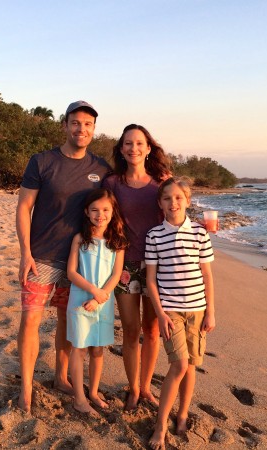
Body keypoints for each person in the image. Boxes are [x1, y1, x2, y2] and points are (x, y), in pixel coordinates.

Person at [16, 100, 111, 413]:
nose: (81, 129)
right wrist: (25, 252)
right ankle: (26, 390)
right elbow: (24, 208)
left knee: (65, 323)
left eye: (87, 124)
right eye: (75, 123)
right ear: (65, 125)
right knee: (30, 319)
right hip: (41, 257)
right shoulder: (42, 161)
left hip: (79, 263)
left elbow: (115, 205)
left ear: (93, 130)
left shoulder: (100, 169)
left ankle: (60, 377)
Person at [102, 124, 171, 410]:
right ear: (121, 148)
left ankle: (146, 387)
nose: (134, 148)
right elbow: (100, 216)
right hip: (125, 263)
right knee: (130, 330)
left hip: (158, 264)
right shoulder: (112, 182)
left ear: (148, 148)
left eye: (139, 143)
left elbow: (177, 214)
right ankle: (132, 388)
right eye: (128, 143)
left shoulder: (162, 181)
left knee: (152, 330)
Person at [144, 177, 216, 450]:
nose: (173, 203)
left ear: (187, 200)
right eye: (167, 198)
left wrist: (211, 312)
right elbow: (151, 279)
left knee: (192, 365)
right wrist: (160, 314)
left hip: (197, 310)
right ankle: (161, 424)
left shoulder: (200, 233)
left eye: (178, 198)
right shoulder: (154, 235)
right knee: (179, 365)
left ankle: (183, 414)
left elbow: (207, 275)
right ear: (160, 203)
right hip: (170, 310)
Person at [66, 188, 128, 416]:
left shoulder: (117, 242)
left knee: (98, 349)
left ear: (113, 212)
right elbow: (72, 272)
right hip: (81, 300)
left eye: (105, 210)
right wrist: (93, 291)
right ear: (86, 212)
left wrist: (100, 297)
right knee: (79, 348)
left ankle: (93, 392)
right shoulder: (80, 239)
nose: (99, 214)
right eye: (94, 210)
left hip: (104, 301)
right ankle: (79, 398)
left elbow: (116, 274)